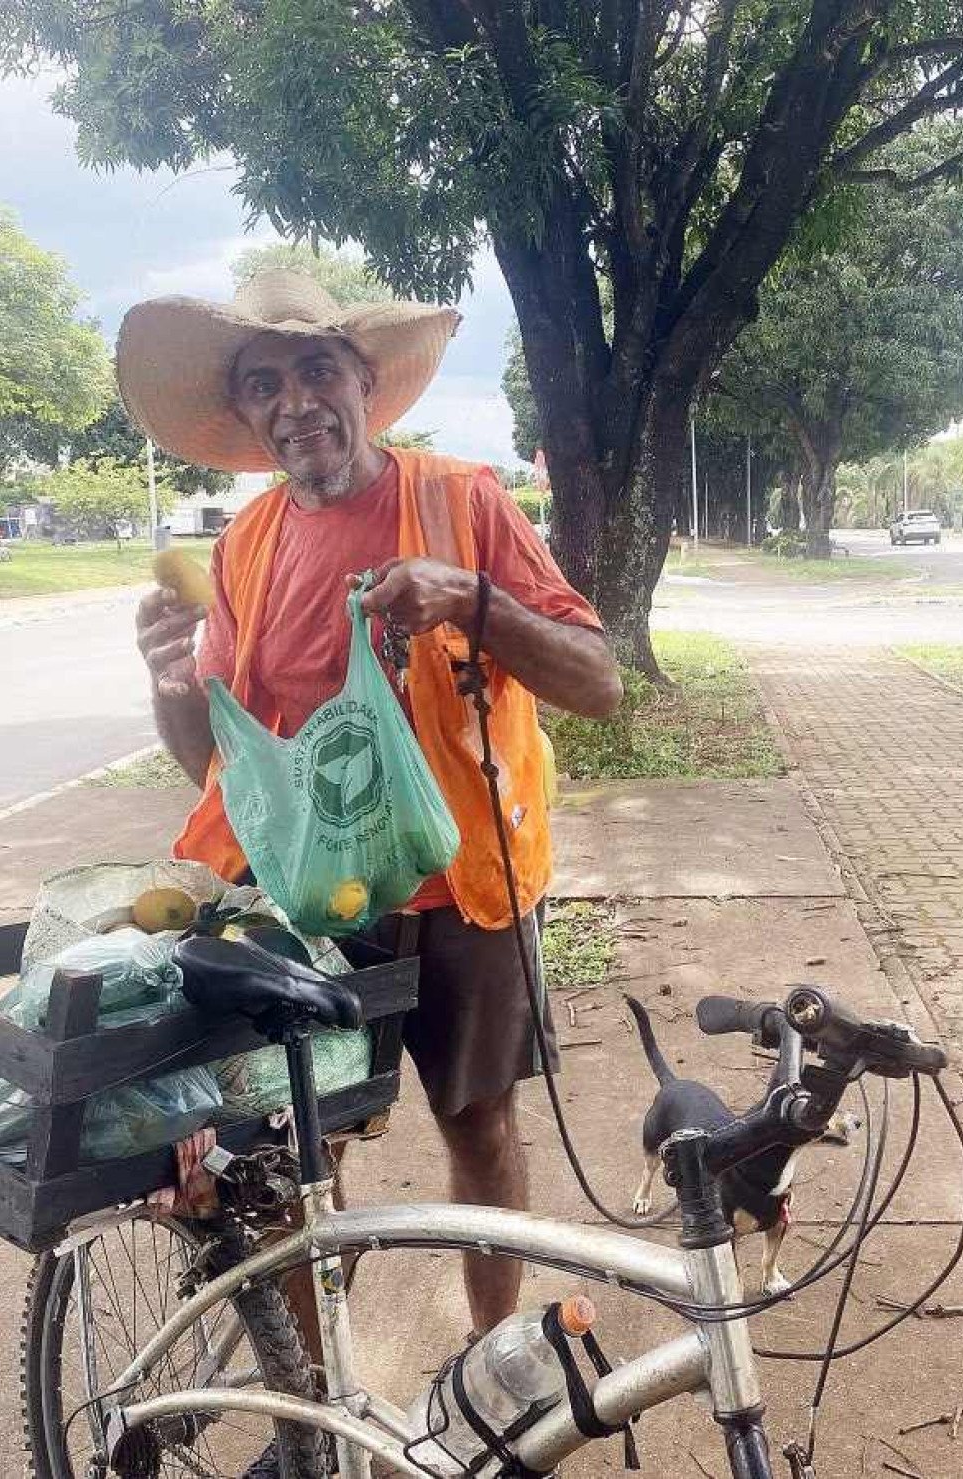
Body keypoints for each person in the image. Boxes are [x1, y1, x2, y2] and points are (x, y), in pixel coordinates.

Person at [117, 267, 622, 1342]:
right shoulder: (242, 548)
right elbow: (220, 761)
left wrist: (468, 598)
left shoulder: (460, 499)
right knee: (300, 1153)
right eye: (265, 383)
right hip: (308, 896)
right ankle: (320, 1400)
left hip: (462, 884)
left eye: (315, 370)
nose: (295, 401)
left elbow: (598, 683)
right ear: (248, 417)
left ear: (362, 383)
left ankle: (491, 1367)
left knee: (478, 1124)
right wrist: (169, 688)